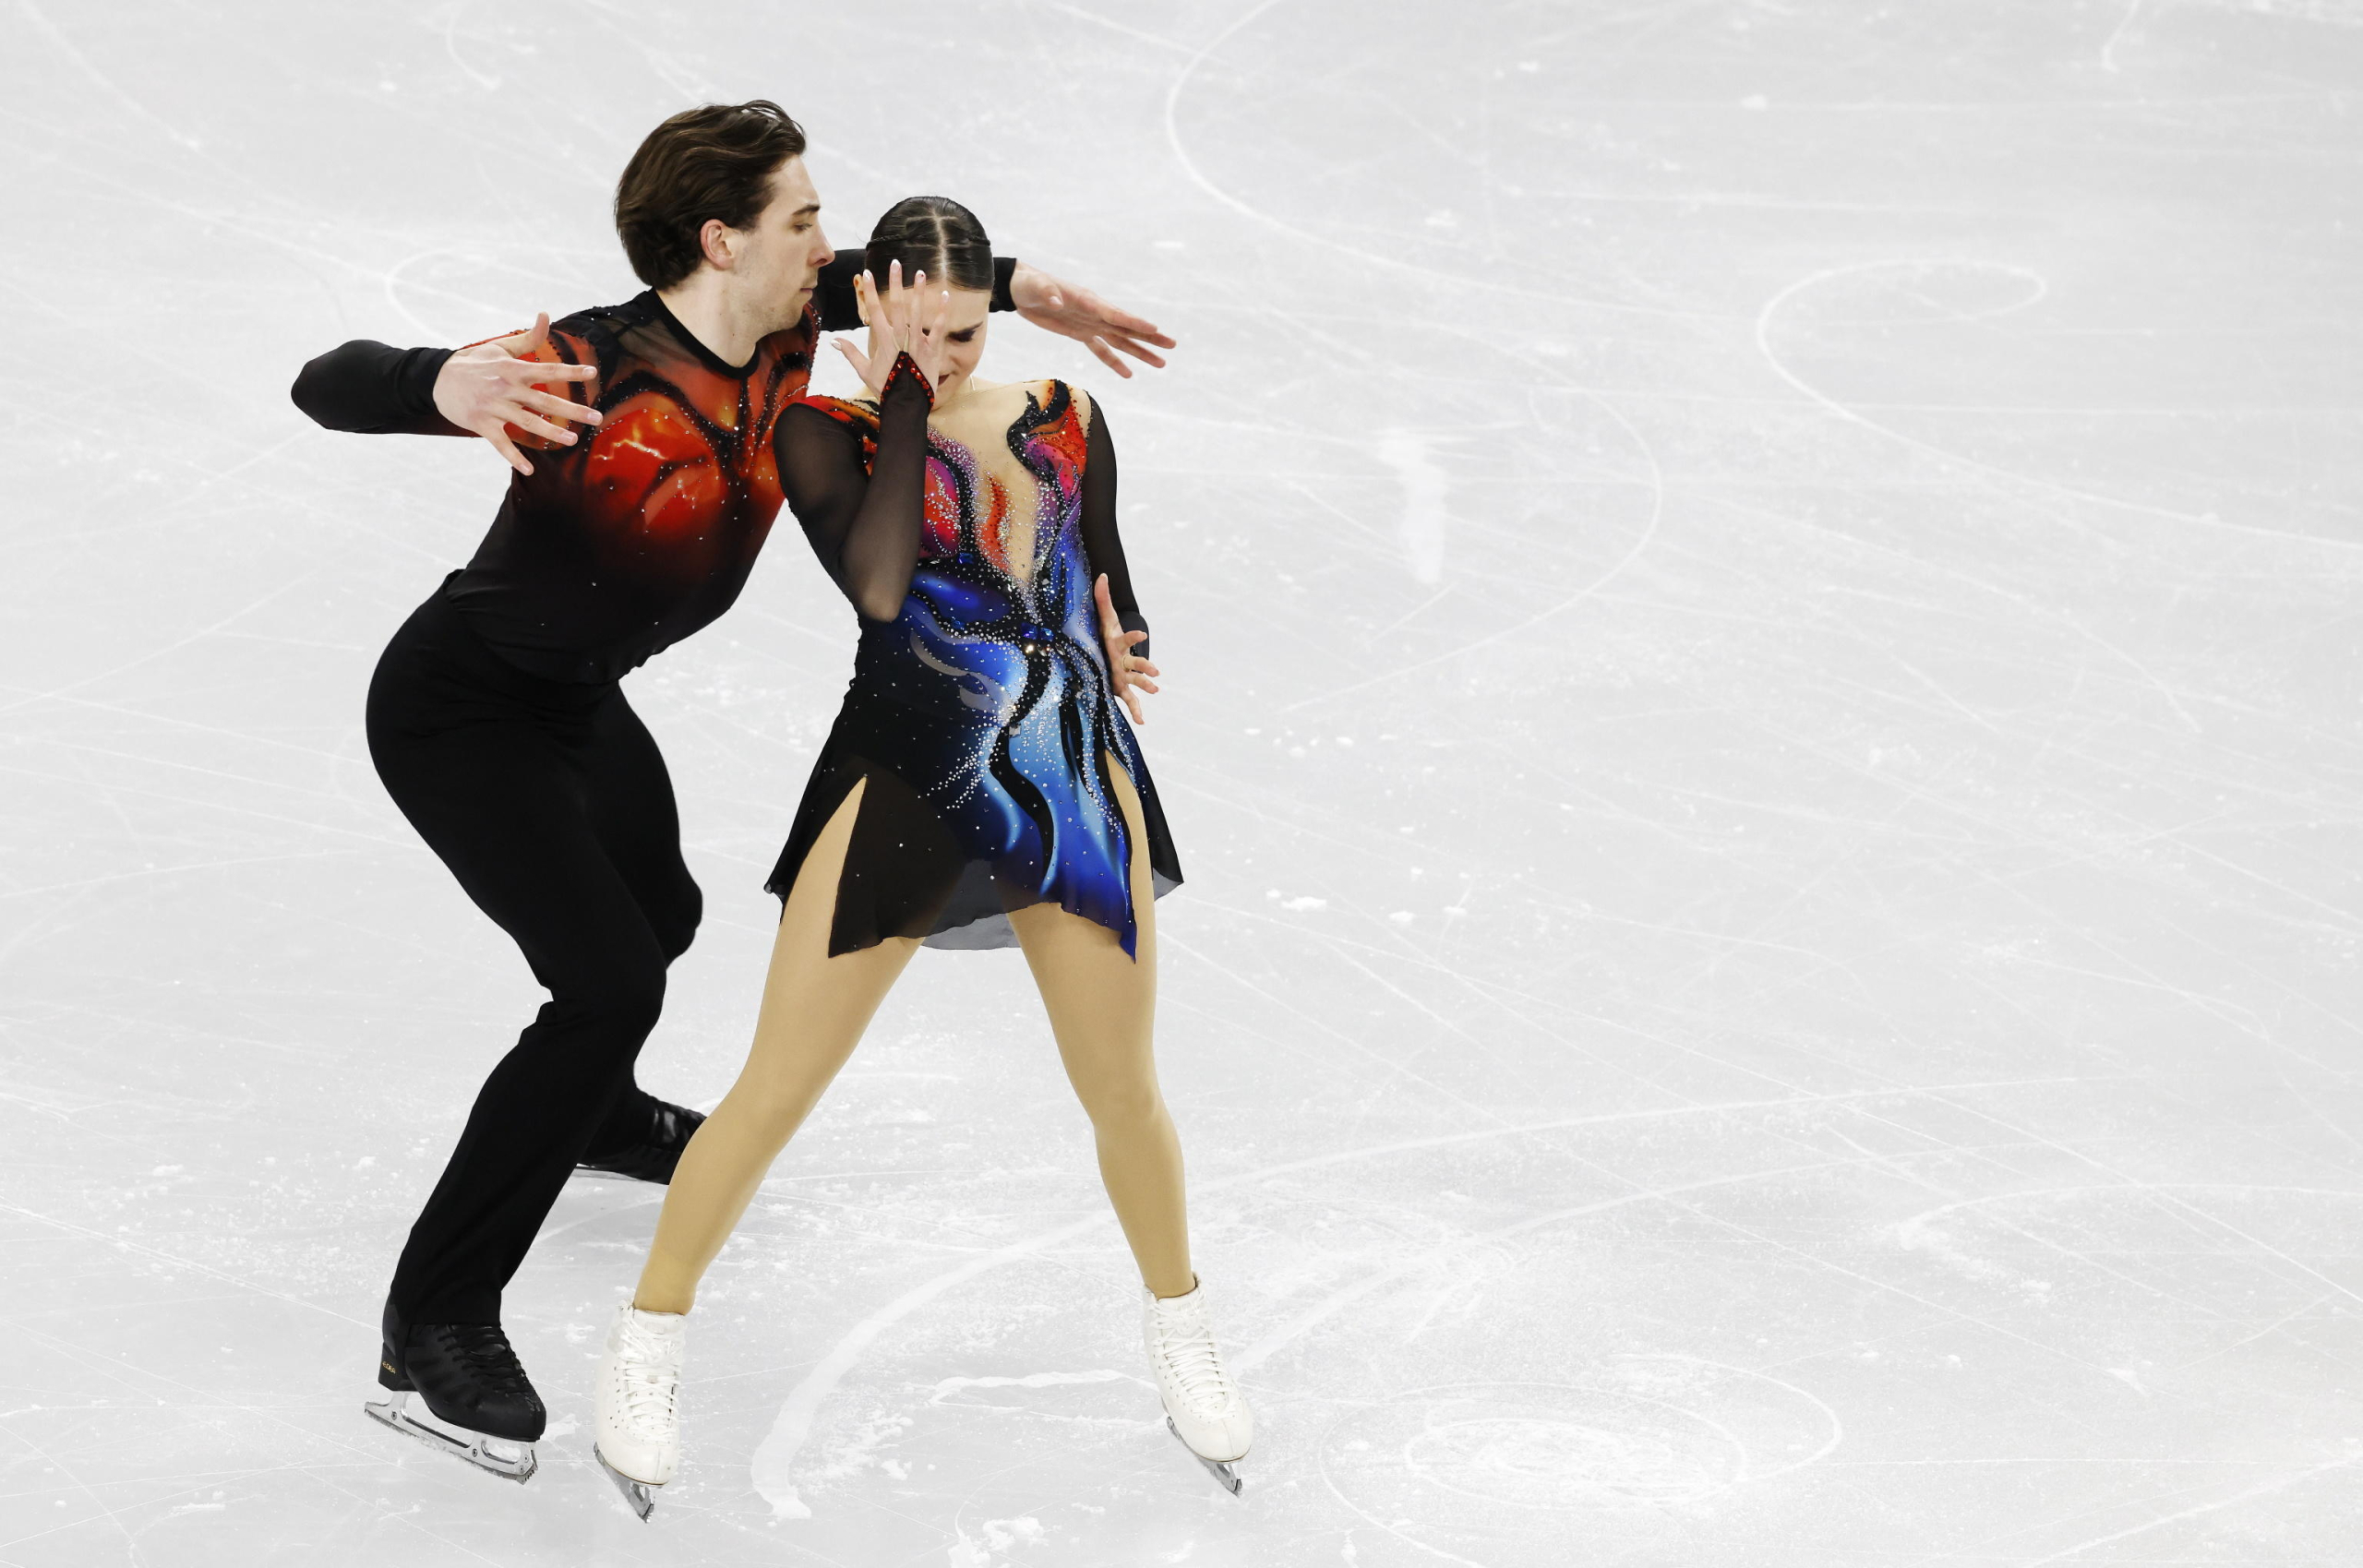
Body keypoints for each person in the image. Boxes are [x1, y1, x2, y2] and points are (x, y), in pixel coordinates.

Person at [287, 101, 1175, 1485]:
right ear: (722, 239)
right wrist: (435, 382)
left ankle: (591, 1113)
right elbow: (321, 381)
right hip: (461, 708)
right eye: (805, 219)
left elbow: (904, 282)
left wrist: (1023, 288)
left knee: (663, 911)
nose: (829, 245)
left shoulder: (786, 325)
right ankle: (435, 1320)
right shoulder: (591, 361)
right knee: (606, 984)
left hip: (579, 701)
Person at [584, 197, 1252, 1519]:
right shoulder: (823, 431)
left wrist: (1121, 637)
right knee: (776, 1087)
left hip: (1068, 773)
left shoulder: (1064, 413)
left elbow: (1103, 574)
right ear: (873, 306)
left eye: (963, 335)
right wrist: (895, 397)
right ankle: (646, 1340)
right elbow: (883, 586)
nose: (942, 359)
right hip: (900, 777)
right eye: (918, 333)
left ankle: (1181, 1324)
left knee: (1124, 1089)